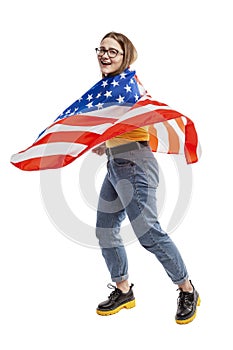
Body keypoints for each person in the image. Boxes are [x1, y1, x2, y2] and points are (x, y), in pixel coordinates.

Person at [92, 31, 200, 324]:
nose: (104, 55)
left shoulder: (126, 84)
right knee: (105, 229)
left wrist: (112, 136)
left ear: (125, 56)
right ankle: (123, 289)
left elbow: (134, 115)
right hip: (116, 164)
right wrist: (108, 142)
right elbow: (124, 122)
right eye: (101, 49)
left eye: (112, 51)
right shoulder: (109, 86)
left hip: (136, 164)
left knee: (149, 233)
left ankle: (187, 289)